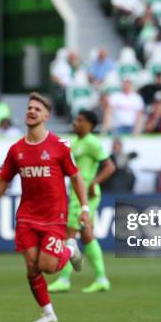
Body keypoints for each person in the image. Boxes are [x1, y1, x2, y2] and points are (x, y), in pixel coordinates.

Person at [0, 93, 90, 322]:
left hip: (54, 215)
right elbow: (3, 182)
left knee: (47, 266)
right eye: (29, 108)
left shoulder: (59, 146)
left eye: (37, 108)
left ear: (46, 116)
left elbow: (77, 178)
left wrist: (85, 207)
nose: (32, 111)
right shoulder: (16, 149)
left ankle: (70, 248)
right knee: (31, 267)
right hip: (27, 216)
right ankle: (48, 313)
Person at [48, 110, 116, 293]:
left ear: (89, 125)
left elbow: (110, 166)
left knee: (68, 234)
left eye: (80, 120)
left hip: (85, 196)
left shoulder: (92, 143)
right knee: (86, 235)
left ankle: (64, 279)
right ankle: (101, 278)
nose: (76, 122)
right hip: (76, 194)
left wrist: (95, 181)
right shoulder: (75, 143)